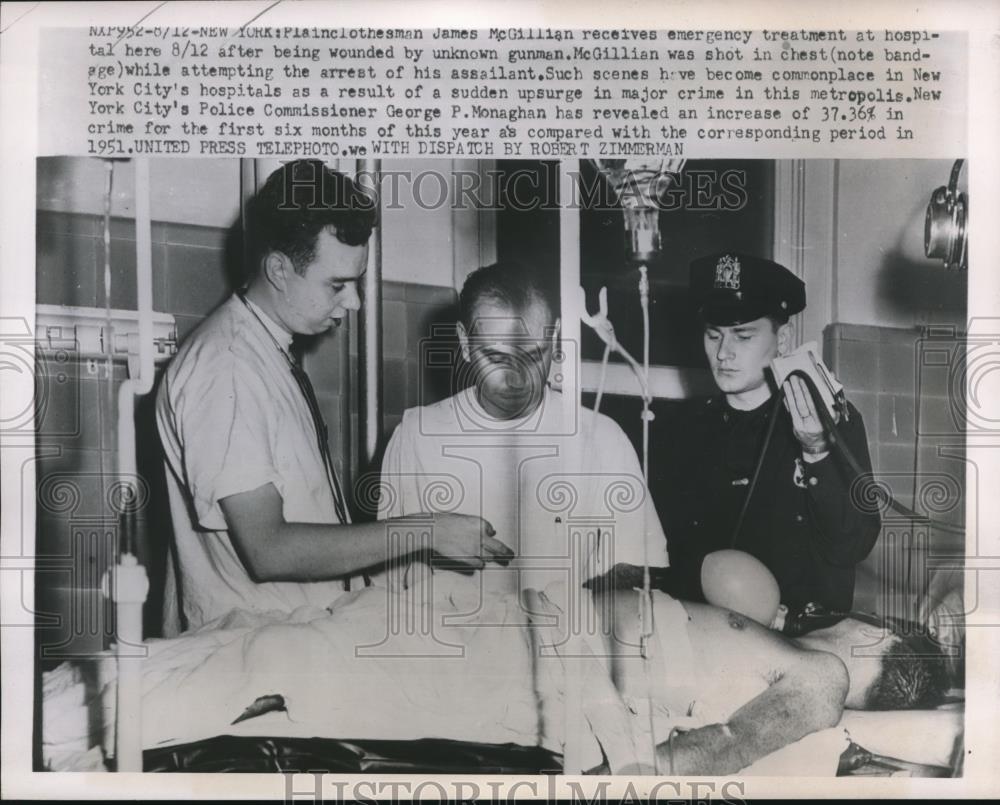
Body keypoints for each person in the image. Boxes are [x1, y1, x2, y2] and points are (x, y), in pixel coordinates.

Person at [156, 160, 509, 635]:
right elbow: (268, 549)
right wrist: (426, 529)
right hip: (252, 655)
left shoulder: (264, 351)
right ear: (279, 269)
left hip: (289, 641)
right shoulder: (228, 369)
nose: (354, 303)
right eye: (337, 284)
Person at [379, 261, 668, 592]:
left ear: (556, 337)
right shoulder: (418, 437)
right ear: (464, 342)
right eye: (497, 358)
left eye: (533, 356)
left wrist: (570, 609)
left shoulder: (602, 439)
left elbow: (639, 565)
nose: (517, 380)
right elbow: (389, 585)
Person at [649, 252, 881, 615]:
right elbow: (665, 554)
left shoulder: (833, 421)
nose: (723, 353)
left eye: (742, 336)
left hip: (802, 642)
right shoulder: (682, 429)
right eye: (713, 335)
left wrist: (816, 450)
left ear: (783, 338)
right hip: (709, 634)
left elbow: (851, 547)